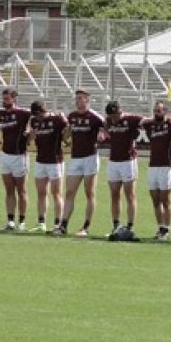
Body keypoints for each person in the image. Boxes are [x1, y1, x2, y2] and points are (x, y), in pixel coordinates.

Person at [64, 89, 105, 237]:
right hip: (76, 158)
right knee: (69, 192)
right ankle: (63, 225)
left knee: (89, 192)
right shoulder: (72, 116)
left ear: (87, 100)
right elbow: (67, 134)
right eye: (77, 98)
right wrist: (66, 134)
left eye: (81, 98)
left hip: (90, 158)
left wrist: (101, 135)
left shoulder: (95, 117)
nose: (78, 101)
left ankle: (86, 227)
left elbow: (106, 131)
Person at [141, 102, 171, 240]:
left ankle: (167, 228)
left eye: (159, 110)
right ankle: (160, 227)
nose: (157, 113)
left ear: (166, 111)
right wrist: (151, 118)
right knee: (155, 200)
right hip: (153, 166)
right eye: (155, 110)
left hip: (167, 166)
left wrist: (169, 118)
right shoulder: (150, 125)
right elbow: (142, 121)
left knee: (166, 199)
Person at [103, 101, 143, 234]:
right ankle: (116, 225)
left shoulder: (130, 119)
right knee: (114, 195)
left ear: (121, 111)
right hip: (113, 161)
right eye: (112, 116)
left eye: (116, 115)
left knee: (130, 195)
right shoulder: (108, 121)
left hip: (128, 161)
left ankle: (130, 226)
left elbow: (146, 120)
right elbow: (104, 128)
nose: (115, 118)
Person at [29, 100, 67, 234]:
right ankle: (41, 223)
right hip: (40, 160)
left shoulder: (57, 120)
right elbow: (31, 139)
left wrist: (66, 122)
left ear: (42, 111)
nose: (36, 117)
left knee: (56, 193)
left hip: (55, 161)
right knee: (41, 193)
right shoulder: (34, 121)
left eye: (38, 114)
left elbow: (66, 137)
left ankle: (57, 223)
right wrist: (30, 135)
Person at [0, 88, 31, 231]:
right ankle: (10, 220)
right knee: (9, 190)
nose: (4, 101)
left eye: (7, 99)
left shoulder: (23, 113)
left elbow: (38, 116)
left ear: (14, 99)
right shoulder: (1, 114)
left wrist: (29, 130)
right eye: (3, 99)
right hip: (5, 155)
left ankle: (22, 221)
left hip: (20, 156)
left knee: (21, 190)